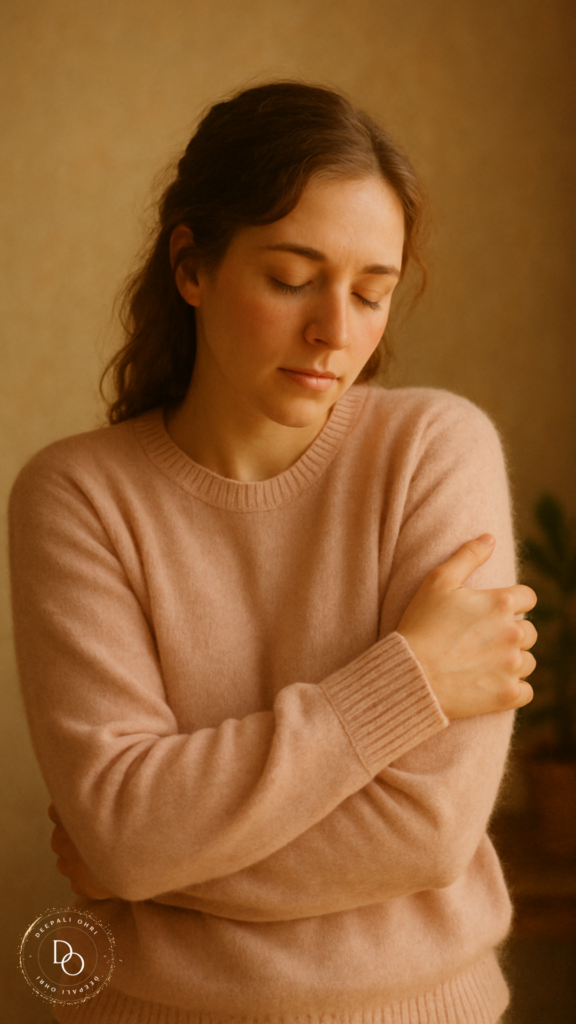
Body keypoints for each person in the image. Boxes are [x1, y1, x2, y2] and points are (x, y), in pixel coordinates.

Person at [8, 81, 537, 1024]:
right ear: (192, 266)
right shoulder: (76, 497)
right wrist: (403, 680)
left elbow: (427, 832)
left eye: (373, 292)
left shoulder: (433, 452)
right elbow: (123, 832)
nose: (338, 331)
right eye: (292, 279)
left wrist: (154, 866)